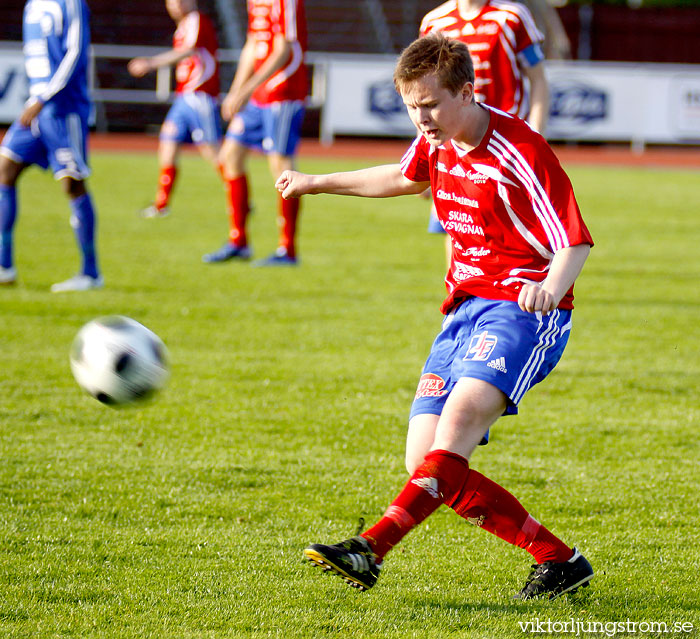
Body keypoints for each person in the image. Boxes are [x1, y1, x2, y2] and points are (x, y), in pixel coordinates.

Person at [276, 34, 595, 600]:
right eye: (410, 106)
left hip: (520, 310)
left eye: (429, 104)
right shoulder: (438, 140)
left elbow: (575, 241)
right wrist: (317, 183)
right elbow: (403, 178)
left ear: (467, 93)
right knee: (426, 462)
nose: (420, 117)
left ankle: (370, 547)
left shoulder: (519, 150)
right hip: (463, 311)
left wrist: (550, 286)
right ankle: (558, 560)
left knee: (459, 424)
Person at [420, 0, 550, 264]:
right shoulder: (435, 22)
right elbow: (424, 95)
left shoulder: (511, 16)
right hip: (455, 145)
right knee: (458, 228)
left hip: (506, 144)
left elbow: (538, 79)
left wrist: (535, 137)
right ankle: (461, 299)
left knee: (515, 229)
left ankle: (520, 297)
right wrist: (426, 154)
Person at [0, 0, 102, 292]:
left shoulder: (71, 3)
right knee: (5, 170)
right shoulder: (32, 5)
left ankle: (91, 273)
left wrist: (44, 97)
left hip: (63, 109)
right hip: (36, 107)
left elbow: (76, 52)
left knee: (73, 183)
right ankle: (4, 265)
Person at [202, 0, 307, 266]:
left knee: (280, 166)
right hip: (259, 94)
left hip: (283, 92)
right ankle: (238, 241)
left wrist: (246, 90)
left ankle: (287, 249)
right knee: (229, 157)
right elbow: (252, 44)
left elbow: (283, 49)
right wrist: (237, 90)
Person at [127, 0, 221, 219]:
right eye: (172, 2)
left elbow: (188, 51)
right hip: (183, 97)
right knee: (168, 143)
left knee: (212, 151)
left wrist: (151, 63)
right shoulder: (183, 25)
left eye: (180, 1)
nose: (175, 5)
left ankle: (239, 195)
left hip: (199, 95)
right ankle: (161, 204)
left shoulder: (196, 20)